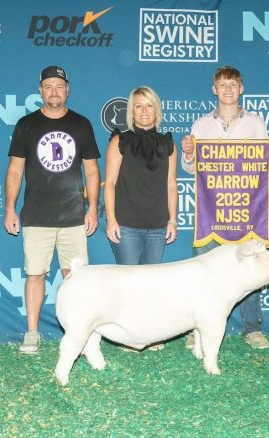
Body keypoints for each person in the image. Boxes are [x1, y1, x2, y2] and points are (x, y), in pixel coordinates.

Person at [181, 66, 269, 349]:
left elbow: (265, 166)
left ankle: (251, 328)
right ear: (214, 90)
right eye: (222, 85)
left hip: (245, 209)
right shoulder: (201, 125)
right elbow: (192, 168)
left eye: (233, 84)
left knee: (251, 268)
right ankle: (197, 328)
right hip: (211, 210)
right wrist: (189, 154)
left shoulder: (255, 123)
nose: (227, 89)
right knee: (203, 271)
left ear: (241, 89)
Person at [4, 65, 101, 354]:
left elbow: (92, 171)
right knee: (35, 274)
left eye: (59, 86)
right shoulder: (26, 124)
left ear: (67, 89)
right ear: (40, 90)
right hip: (36, 215)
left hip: (73, 215)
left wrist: (92, 208)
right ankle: (32, 333)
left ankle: (79, 333)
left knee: (76, 278)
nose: (54, 91)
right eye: (48, 86)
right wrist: (10, 208)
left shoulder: (82, 124)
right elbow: (14, 170)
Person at [104, 86, 178, 351]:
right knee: (128, 285)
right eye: (138, 106)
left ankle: (150, 334)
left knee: (151, 285)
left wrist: (173, 219)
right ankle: (128, 336)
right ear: (131, 111)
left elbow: (171, 184)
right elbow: (109, 183)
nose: (144, 111)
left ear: (156, 109)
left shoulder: (168, 143)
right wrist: (111, 220)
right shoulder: (119, 141)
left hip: (158, 224)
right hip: (126, 223)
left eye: (148, 106)